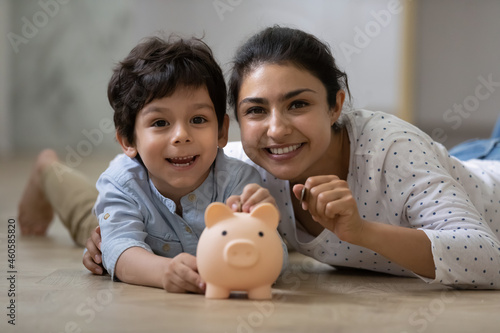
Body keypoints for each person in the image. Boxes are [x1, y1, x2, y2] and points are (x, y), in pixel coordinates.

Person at [20, 26, 500, 289]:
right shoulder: (242, 163)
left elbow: (487, 259)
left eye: (299, 103)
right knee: (114, 230)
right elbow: (138, 181)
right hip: (450, 166)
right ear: (236, 122)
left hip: (486, 178)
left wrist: (362, 232)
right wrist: (111, 250)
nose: (275, 129)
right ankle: (49, 172)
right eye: (256, 110)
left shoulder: (390, 149)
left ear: (337, 104)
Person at [18, 35, 285, 294]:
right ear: (127, 140)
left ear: (221, 131)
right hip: (125, 214)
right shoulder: (121, 183)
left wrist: (260, 229)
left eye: (198, 119)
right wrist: (163, 272)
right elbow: (119, 249)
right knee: (87, 224)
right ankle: (47, 168)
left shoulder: (238, 183)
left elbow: (276, 258)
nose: (181, 135)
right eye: (160, 123)